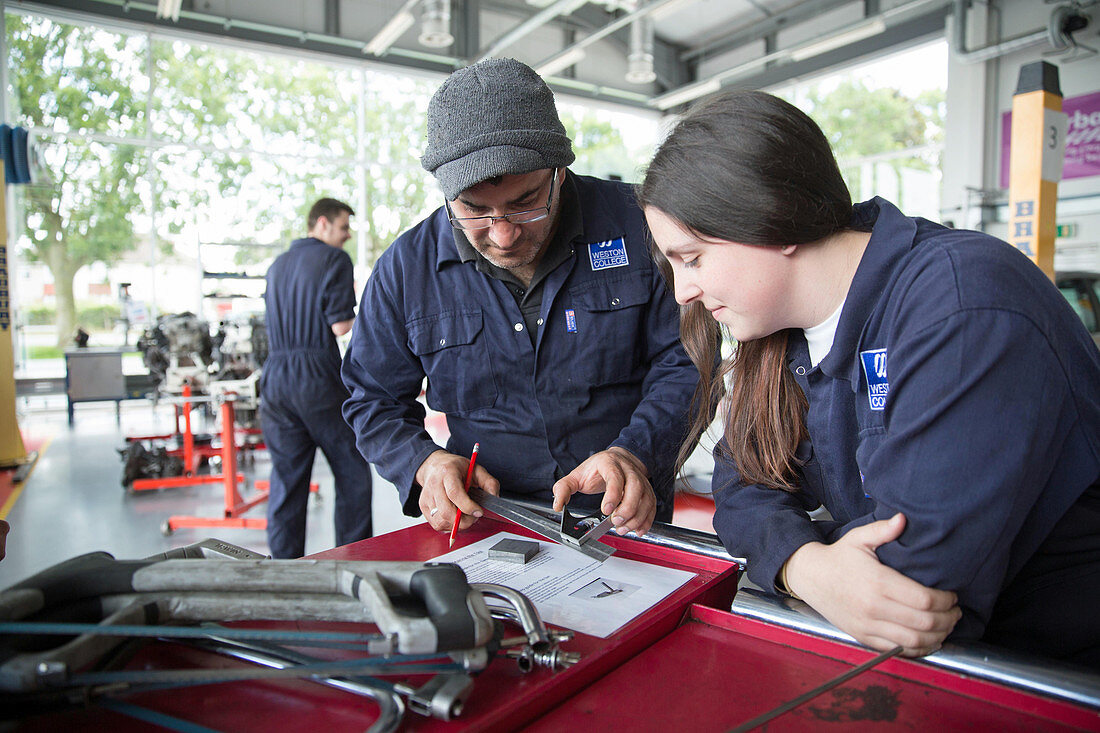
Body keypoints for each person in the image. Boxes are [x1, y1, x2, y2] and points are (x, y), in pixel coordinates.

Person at [639, 90, 1100, 668]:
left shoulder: (962, 305)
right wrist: (805, 567)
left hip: (1053, 676)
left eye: (693, 258)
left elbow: (918, 589)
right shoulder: (783, 335)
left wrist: (807, 559)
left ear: (772, 217)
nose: (684, 292)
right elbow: (742, 485)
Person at [341, 58, 699, 538]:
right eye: (474, 210)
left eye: (526, 203)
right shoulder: (406, 270)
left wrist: (635, 452)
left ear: (559, 171)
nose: (503, 235)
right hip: (486, 520)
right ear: (446, 193)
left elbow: (688, 361)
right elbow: (372, 399)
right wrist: (425, 464)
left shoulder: (642, 227)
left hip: (625, 515)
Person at [262, 198, 373, 558]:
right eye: (343, 228)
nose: (347, 236)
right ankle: (353, 563)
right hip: (317, 381)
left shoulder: (277, 266)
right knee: (352, 474)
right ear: (322, 224)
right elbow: (341, 324)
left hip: (275, 381)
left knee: (287, 481)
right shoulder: (334, 259)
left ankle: (283, 569)